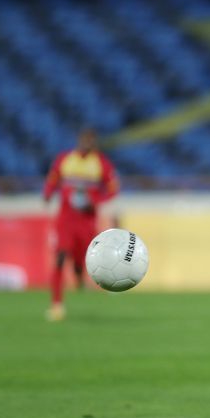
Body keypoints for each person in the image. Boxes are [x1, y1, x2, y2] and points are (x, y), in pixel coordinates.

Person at [43, 128, 119, 321]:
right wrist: (48, 192)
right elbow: (53, 178)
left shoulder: (101, 163)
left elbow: (113, 189)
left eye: (90, 141)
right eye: (85, 140)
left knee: (81, 259)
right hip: (66, 219)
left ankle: (79, 276)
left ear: (94, 143)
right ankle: (56, 304)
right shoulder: (65, 159)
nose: (87, 143)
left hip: (87, 220)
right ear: (79, 140)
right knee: (60, 257)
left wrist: (95, 201)